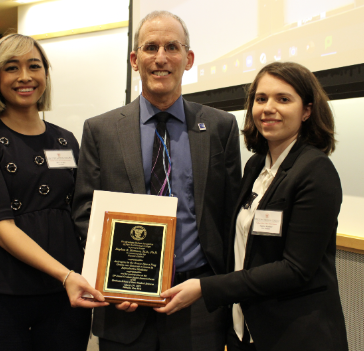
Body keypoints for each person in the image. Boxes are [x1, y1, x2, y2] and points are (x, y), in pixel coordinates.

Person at [71, 10, 241, 351]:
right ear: (135, 60)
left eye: (172, 47)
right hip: (123, 302)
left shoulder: (220, 127)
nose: (160, 58)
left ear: (188, 59)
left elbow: (229, 213)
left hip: (198, 300)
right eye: (150, 47)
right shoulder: (100, 130)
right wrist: (113, 279)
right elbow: (85, 212)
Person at [156, 61, 349, 351]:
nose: (268, 108)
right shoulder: (257, 166)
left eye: (283, 99)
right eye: (261, 99)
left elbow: (295, 269)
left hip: (295, 334)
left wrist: (205, 287)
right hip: (245, 329)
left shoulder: (315, 171)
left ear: (307, 110)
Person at [0, 33, 108, 351]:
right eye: (11, 67)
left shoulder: (66, 140)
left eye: (34, 66)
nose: (25, 76)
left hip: (65, 292)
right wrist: (65, 275)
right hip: (3, 292)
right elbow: (0, 227)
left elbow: (82, 212)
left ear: (45, 74)